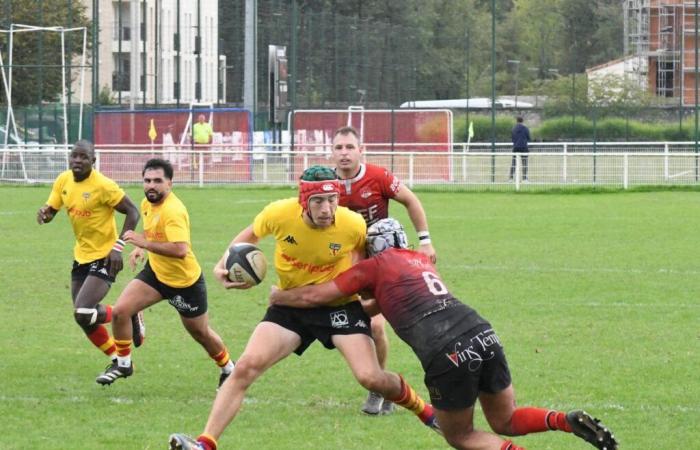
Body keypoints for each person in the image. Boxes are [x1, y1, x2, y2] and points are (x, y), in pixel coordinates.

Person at [267, 218, 619, 450]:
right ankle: (563, 421)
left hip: (446, 351)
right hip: (481, 331)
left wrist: (280, 297)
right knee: (505, 419)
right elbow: (383, 306)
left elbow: (317, 295)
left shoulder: (374, 266)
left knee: (461, 435)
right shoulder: (419, 261)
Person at [167, 166, 440, 450]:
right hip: (291, 309)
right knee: (245, 368)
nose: (327, 208)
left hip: (340, 307)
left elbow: (363, 270)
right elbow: (247, 236)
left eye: (332, 199)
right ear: (303, 201)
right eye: (318, 201)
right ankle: (204, 444)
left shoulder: (352, 224)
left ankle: (428, 413)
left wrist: (374, 301)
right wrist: (222, 264)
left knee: (370, 376)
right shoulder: (278, 214)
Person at [96, 158, 234, 387]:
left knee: (200, 333)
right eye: (147, 180)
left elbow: (181, 250)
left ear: (170, 183)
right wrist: (141, 247)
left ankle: (229, 368)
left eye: (158, 181)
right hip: (156, 274)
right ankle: (123, 363)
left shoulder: (174, 210)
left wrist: (144, 243)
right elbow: (154, 232)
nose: (151, 185)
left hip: (185, 283)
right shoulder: (147, 203)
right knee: (120, 311)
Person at [331, 125, 436, 415]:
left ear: (360, 150)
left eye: (349, 147)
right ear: (332, 152)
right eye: (339, 148)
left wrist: (425, 241)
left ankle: (380, 388)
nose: (344, 154)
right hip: (341, 263)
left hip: (379, 264)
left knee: (376, 326)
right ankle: (383, 385)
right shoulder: (325, 184)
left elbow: (411, 200)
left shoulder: (377, 177)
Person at [36, 139, 143, 375]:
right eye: (75, 156)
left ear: (93, 161)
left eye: (84, 157)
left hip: (107, 257)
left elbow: (133, 212)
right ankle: (119, 359)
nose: (78, 160)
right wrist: (45, 213)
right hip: (81, 256)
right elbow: (53, 209)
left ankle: (127, 312)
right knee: (83, 318)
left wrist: (118, 247)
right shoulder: (63, 180)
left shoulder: (104, 185)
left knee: (83, 311)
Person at [509, 116, 531, 182]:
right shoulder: (525, 128)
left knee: (514, 163)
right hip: (524, 147)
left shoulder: (513, 128)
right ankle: (524, 179)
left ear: (516, 121)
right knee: (525, 163)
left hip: (515, 147)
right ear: (522, 121)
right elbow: (529, 138)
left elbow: (512, 138)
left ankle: (511, 178)